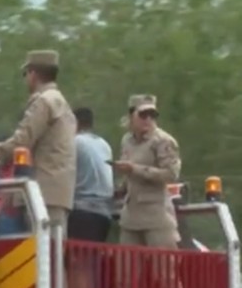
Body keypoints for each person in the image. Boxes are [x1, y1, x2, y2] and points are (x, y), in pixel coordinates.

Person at [0, 49, 76, 236]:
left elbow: (20, 142)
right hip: (59, 193)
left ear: (33, 74)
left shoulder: (43, 102)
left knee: (41, 259)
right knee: (53, 257)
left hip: (41, 193)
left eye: (25, 74)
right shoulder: (62, 103)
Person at [115, 95, 181, 247]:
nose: (148, 119)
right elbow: (128, 175)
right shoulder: (127, 140)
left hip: (156, 216)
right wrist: (121, 186)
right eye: (143, 115)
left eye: (152, 115)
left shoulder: (163, 140)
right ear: (131, 115)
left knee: (161, 267)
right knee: (126, 268)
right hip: (131, 216)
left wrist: (135, 169)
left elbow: (171, 174)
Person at [69, 107, 114, 242]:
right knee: (93, 258)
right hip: (104, 213)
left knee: (79, 259)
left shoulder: (75, 142)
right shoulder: (104, 144)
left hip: (82, 210)